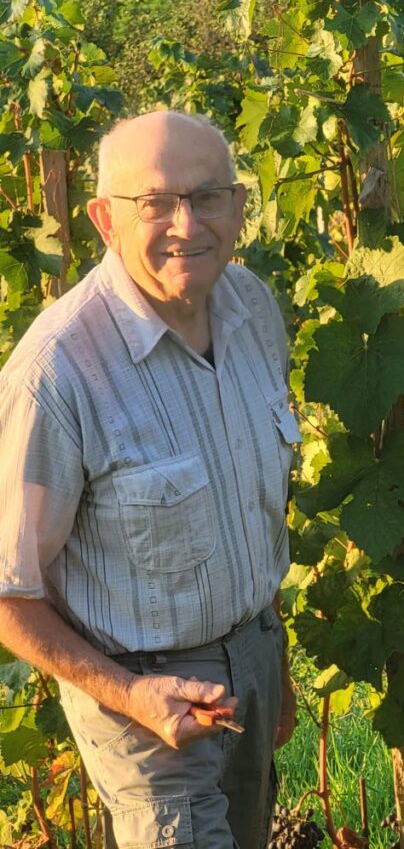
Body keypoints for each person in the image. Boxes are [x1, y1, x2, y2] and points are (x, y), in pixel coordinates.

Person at [0, 110, 301, 849]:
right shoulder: (58, 372)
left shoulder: (254, 308)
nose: (186, 223)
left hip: (252, 660)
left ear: (237, 205)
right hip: (143, 704)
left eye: (207, 197)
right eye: (155, 202)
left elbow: (252, 510)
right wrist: (131, 693)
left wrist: (271, 659)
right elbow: (8, 590)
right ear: (104, 217)